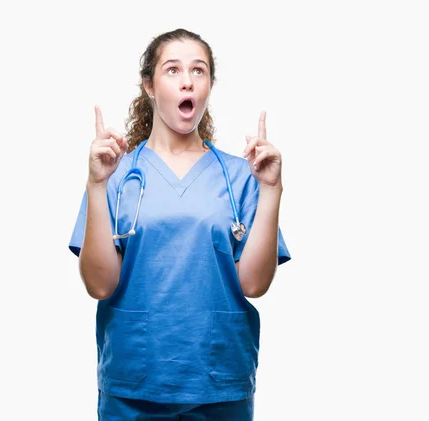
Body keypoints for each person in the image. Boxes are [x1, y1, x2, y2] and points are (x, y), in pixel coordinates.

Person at [68, 28, 291, 420]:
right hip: (133, 385)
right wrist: (96, 184)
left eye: (198, 70)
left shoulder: (242, 176)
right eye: (172, 70)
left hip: (218, 385)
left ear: (208, 86)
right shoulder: (116, 175)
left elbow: (255, 285)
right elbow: (98, 285)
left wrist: (271, 189)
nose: (187, 79)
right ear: (149, 86)